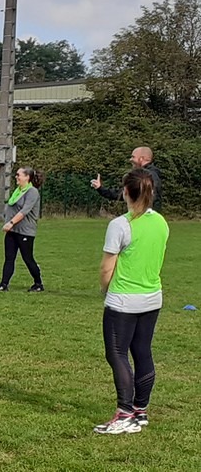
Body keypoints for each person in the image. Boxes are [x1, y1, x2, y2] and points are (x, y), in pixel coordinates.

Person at [93, 169, 168, 435]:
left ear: (126, 191)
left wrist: (105, 290)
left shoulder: (120, 225)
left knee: (116, 354)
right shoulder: (161, 222)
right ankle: (140, 410)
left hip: (123, 300)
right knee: (143, 351)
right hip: (152, 298)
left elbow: (106, 268)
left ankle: (125, 413)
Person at [0, 166, 44, 292]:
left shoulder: (32, 192)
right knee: (9, 258)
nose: (16, 177)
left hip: (25, 231)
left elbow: (24, 211)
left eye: (18, 175)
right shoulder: (18, 190)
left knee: (28, 258)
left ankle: (38, 284)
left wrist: (10, 222)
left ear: (27, 177)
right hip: (13, 231)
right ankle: (3, 284)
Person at [93, 147, 162, 213]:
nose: (130, 159)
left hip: (143, 217)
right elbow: (123, 193)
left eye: (133, 157)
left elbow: (151, 198)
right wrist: (100, 189)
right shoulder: (153, 174)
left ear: (141, 159)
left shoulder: (145, 176)